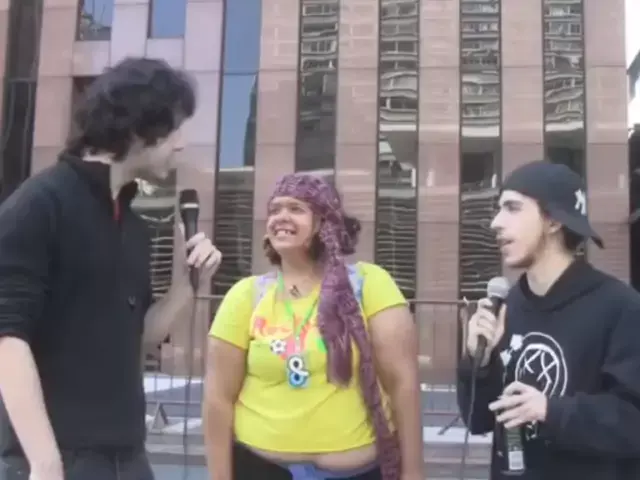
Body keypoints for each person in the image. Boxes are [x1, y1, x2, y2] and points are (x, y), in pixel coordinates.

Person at [0, 57, 222, 480]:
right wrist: (44, 462)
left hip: (128, 457)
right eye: (175, 128)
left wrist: (189, 283)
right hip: (60, 459)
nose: (181, 144)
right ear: (139, 128)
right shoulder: (39, 205)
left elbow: (140, 335)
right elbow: (7, 338)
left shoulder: (133, 225)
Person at [203, 174, 423, 480]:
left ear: (323, 223)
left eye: (296, 209)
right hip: (260, 469)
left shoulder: (369, 284)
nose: (281, 217)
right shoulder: (246, 295)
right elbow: (218, 398)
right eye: (275, 209)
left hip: (356, 473)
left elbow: (403, 384)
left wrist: (413, 473)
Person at [457, 160, 640, 479]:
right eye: (499, 209)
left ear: (554, 220)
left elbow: (632, 421)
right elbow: (479, 421)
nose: (496, 223)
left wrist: (550, 411)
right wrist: (478, 363)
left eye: (512, 208)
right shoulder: (508, 305)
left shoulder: (620, 307)